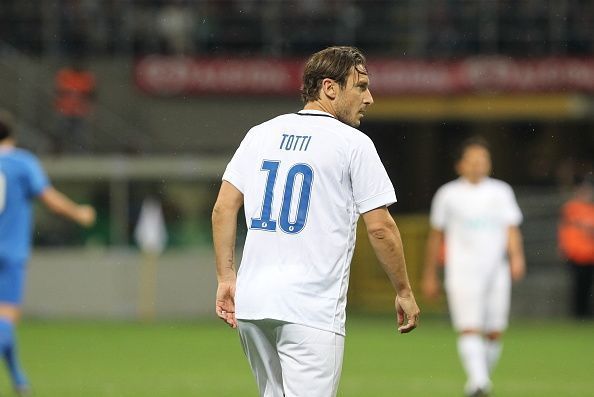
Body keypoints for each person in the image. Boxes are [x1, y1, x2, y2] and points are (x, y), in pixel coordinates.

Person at [212, 46, 419, 397]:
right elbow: (381, 228)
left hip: (253, 304)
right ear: (330, 88)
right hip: (310, 308)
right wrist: (404, 291)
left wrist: (226, 278)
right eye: (361, 86)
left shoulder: (260, 134)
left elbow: (223, 209)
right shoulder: (353, 144)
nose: (369, 98)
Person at [0, 109, 96, 395]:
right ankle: (20, 380)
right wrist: (79, 213)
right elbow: (50, 200)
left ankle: (19, 379)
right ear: (12, 135)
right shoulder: (22, 163)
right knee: (5, 320)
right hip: (10, 255)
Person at [422, 137, 525, 397]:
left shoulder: (501, 191)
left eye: (483, 159)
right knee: (469, 326)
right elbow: (436, 236)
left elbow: (511, 228)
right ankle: (480, 383)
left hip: (496, 270)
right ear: (460, 165)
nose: (479, 164)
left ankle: (478, 382)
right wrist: (430, 274)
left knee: (494, 331)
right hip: (463, 270)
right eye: (473, 159)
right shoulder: (448, 194)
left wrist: (516, 257)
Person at [558, 175, 594, 319]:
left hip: (591, 255)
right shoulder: (571, 208)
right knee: (578, 287)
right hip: (576, 254)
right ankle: (579, 314)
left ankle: (586, 314)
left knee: (588, 287)